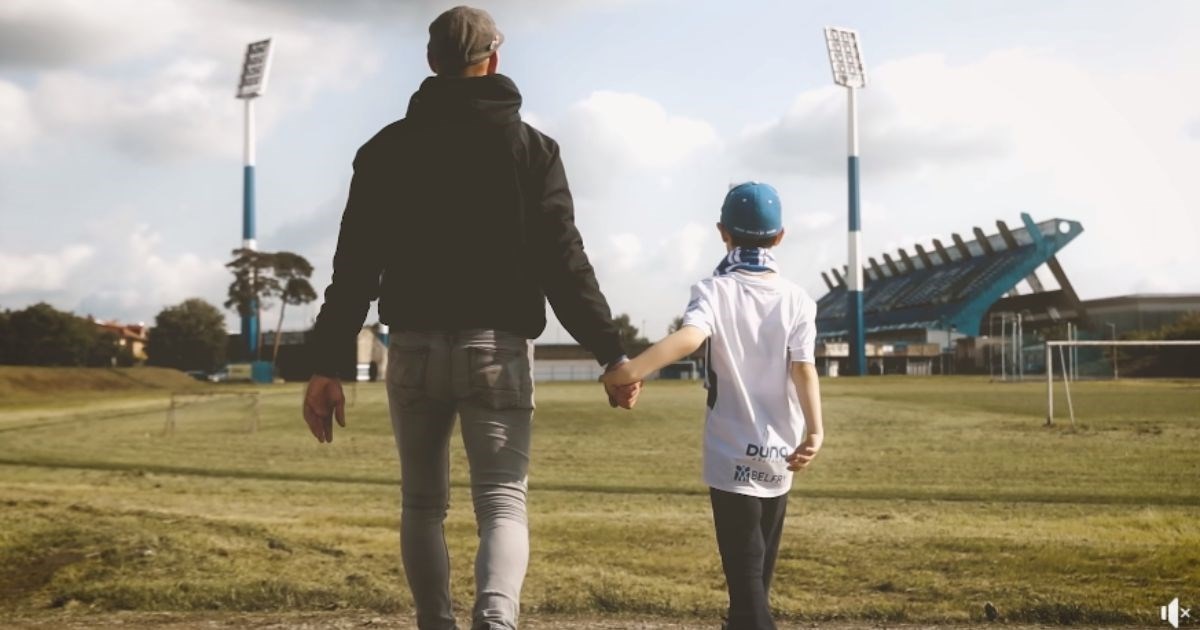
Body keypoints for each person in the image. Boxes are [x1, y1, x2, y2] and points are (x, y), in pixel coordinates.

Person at [301, 6, 640, 629]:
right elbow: (564, 262)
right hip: (498, 352)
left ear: (431, 63)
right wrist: (611, 353)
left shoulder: (384, 150)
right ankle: (496, 621)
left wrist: (326, 364)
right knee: (503, 505)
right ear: (494, 58)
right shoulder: (531, 148)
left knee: (422, 505)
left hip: (411, 351)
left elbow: (353, 270)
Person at [602, 182, 825, 630]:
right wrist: (816, 432)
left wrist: (629, 372)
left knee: (746, 591)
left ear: (723, 232)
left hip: (730, 455)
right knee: (756, 584)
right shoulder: (798, 298)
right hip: (781, 454)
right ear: (780, 237)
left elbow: (690, 338)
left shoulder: (713, 290)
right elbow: (804, 369)